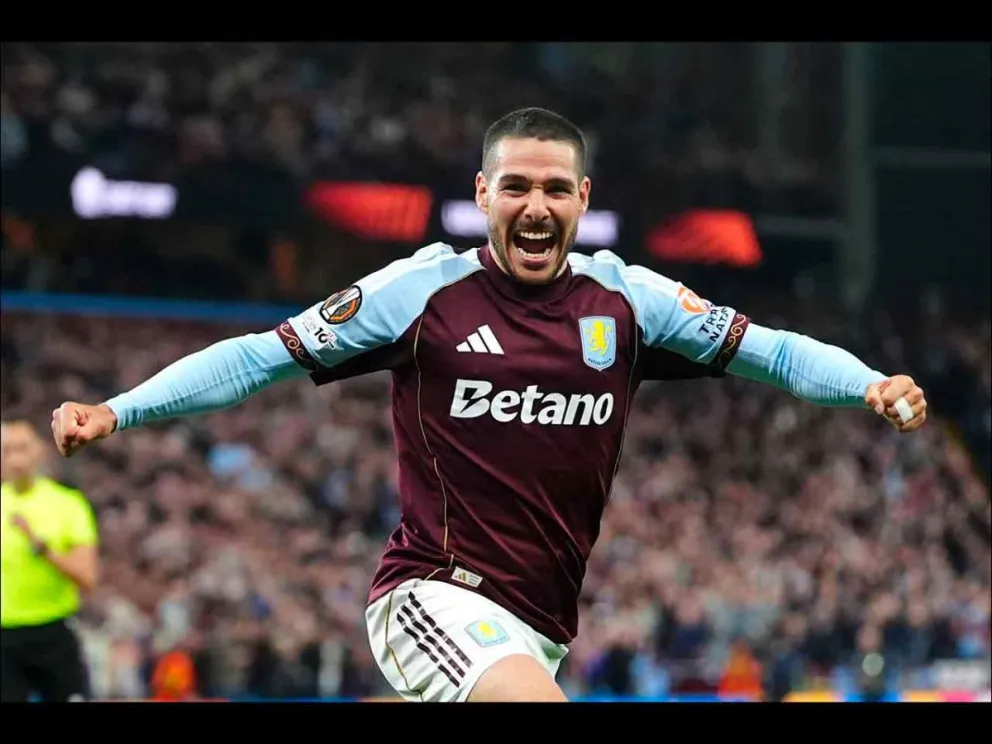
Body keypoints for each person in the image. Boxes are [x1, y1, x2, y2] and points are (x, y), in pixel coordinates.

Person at [50, 107, 928, 703]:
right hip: (430, 594)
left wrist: (867, 385)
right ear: (483, 197)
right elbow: (257, 359)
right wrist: (118, 411)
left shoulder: (627, 302)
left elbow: (769, 350)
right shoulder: (420, 293)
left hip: (540, 618)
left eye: (555, 189)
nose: (535, 206)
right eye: (516, 188)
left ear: (583, 200)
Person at [1, 420, 99, 702]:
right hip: (6, 637)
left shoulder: (68, 504)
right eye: (7, 450)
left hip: (54, 632)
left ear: (38, 452)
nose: (15, 458)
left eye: (22, 448)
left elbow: (87, 577)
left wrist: (43, 549)